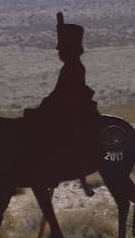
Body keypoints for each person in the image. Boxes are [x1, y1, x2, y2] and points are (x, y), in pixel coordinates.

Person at [25, 12, 101, 190]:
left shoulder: (74, 67)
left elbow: (65, 93)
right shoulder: (70, 67)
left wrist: (49, 103)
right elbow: (58, 92)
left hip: (70, 108)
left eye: (62, 50)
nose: (60, 53)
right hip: (64, 105)